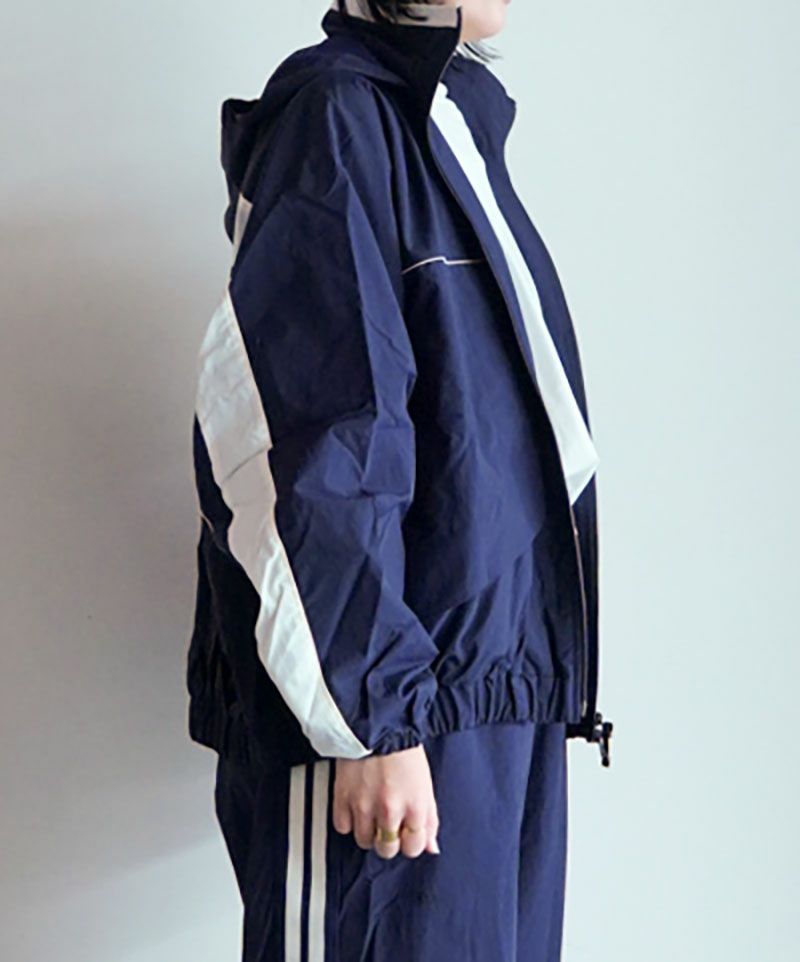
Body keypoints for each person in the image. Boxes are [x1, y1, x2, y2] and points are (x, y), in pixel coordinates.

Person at [186, 1, 613, 959]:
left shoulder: (446, 121)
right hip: (388, 719)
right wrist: (373, 719)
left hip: (488, 702)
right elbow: (309, 434)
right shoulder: (336, 118)